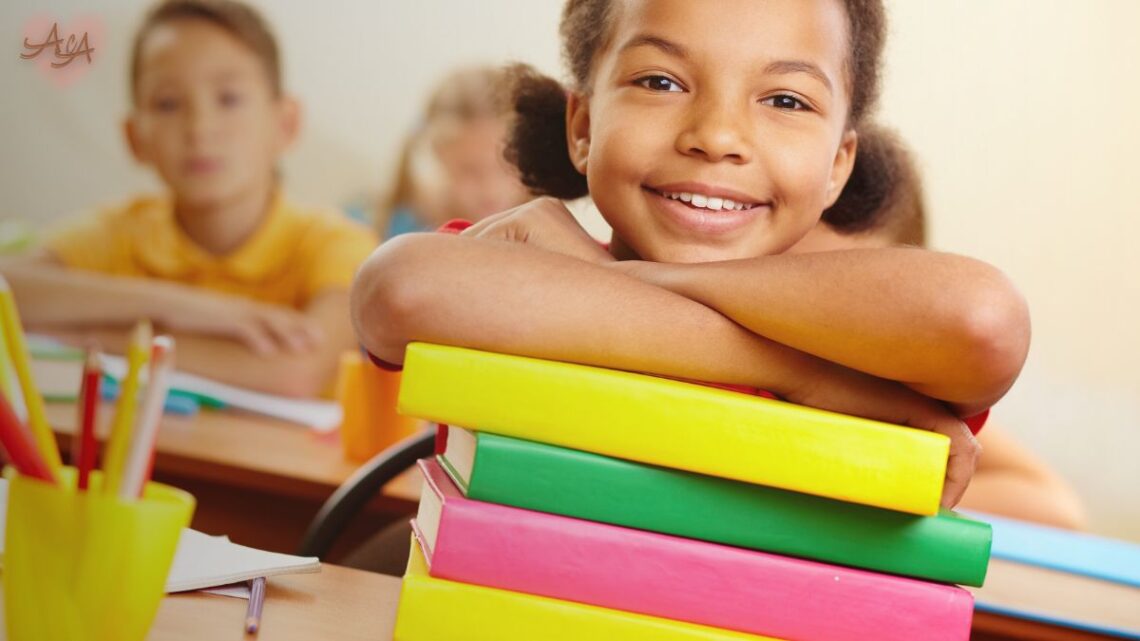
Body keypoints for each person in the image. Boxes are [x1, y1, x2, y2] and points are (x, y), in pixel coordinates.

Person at [352, 0, 1032, 508]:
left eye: (786, 99)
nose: (716, 135)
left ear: (837, 164)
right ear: (583, 126)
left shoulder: (871, 342)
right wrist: (810, 378)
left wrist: (613, 280)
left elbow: (985, 320)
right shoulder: (511, 262)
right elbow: (397, 290)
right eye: (661, 82)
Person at [0, 0, 377, 397]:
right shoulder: (121, 233)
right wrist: (189, 309)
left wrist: (89, 335)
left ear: (285, 123)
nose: (200, 128)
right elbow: (8, 284)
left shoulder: (337, 244)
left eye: (229, 98)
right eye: (168, 104)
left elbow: (298, 373)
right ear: (134, 136)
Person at [793, 125, 1085, 528]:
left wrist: (890, 490)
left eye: (858, 312)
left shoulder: (899, 392)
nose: (817, 336)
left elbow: (1055, 507)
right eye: (786, 296)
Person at [377, 66, 533, 239]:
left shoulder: (543, 228)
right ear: (438, 155)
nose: (491, 189)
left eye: (507, 166)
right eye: (469, 170)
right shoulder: (400, 234)